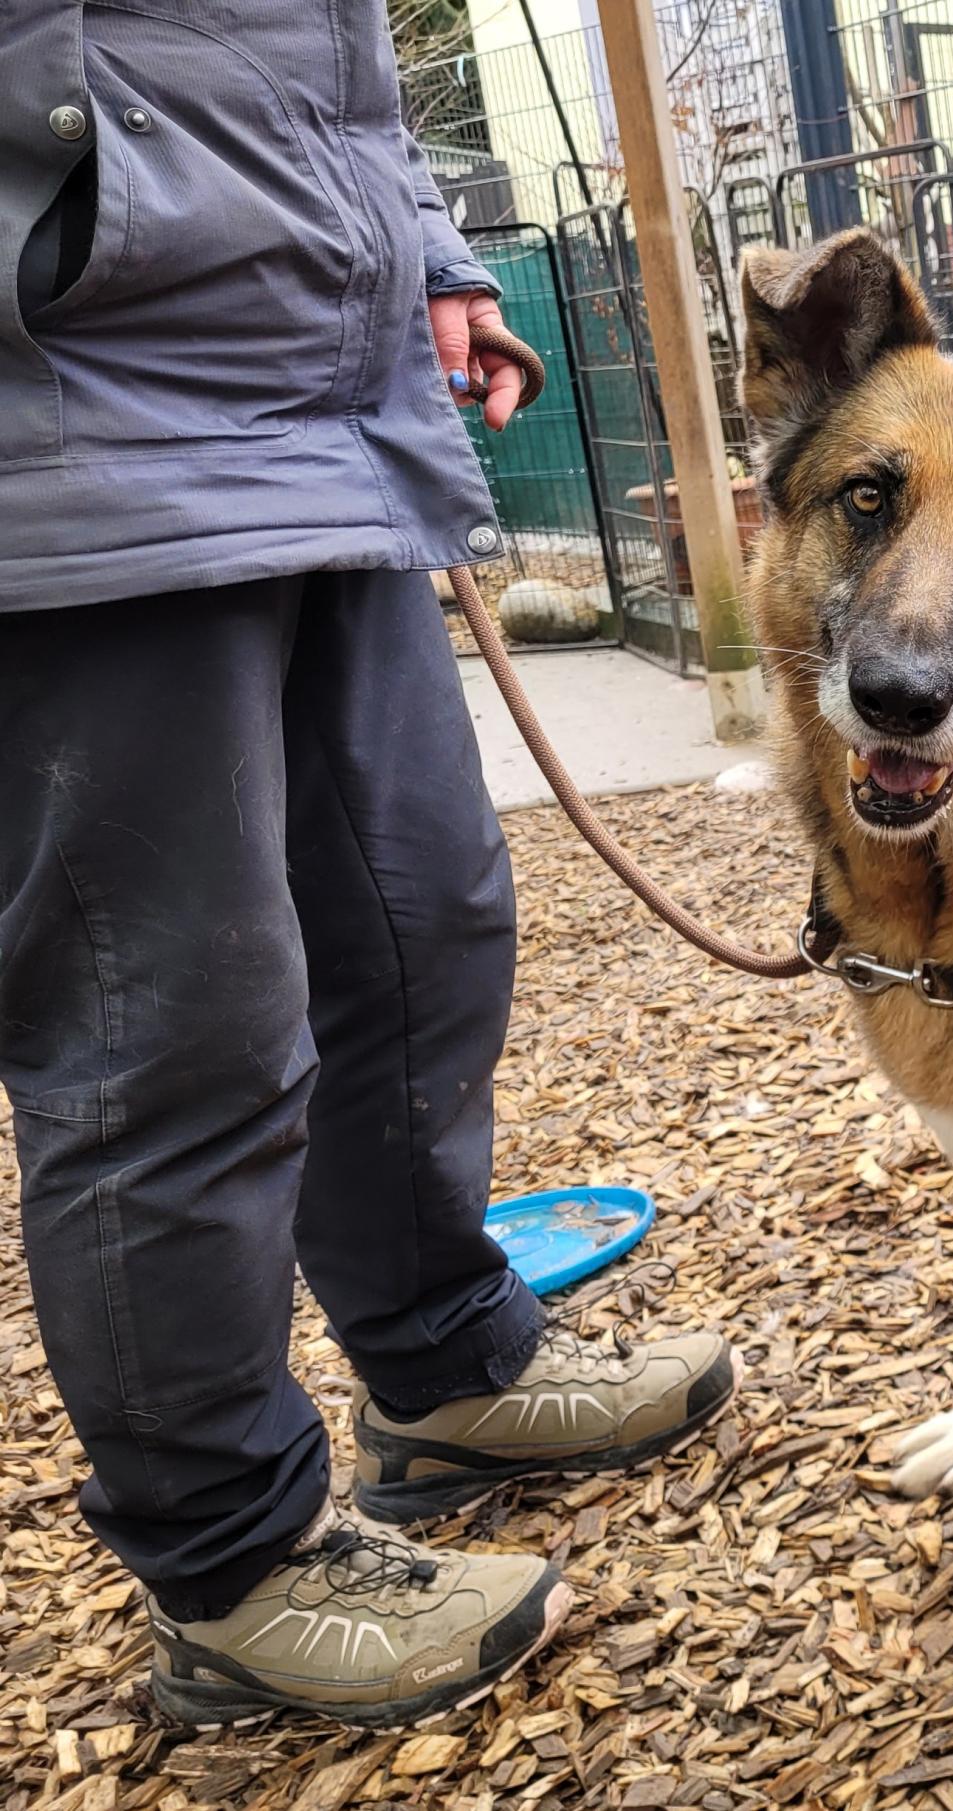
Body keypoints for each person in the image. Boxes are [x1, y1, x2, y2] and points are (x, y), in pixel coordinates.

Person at [0, 2, 738, 1728]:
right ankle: (229, 1563)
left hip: (321, 400)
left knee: (422, 917)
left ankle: (444, 1365)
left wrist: (422, 250)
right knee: (174, 1025)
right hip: (83, 411)